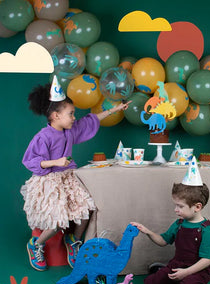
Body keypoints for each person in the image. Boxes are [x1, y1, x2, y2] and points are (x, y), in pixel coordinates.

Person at [21, 76, 130, 271]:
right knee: (57, 221)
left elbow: (91, 120)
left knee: (86, 210)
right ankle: (36, 244)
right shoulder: (43, 137)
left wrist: (114, 110)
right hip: (49, 180)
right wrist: (56, 162)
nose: (74, 118)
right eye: (71, 114)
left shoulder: (69, 130)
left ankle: (74, 240)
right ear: (55, 116)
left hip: (69, 178)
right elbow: (31, 160)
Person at [132, 157, 210, 284]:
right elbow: (163, 241)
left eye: (180, 206)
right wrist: (147, 231)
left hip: (196, 270)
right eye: (175, 205)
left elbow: (207, 259)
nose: (175, 210)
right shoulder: (179, 224)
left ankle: (187, 282)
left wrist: (186, 272)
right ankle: (175, 278)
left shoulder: (206, 230)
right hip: (177, 265)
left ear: (197, 207)